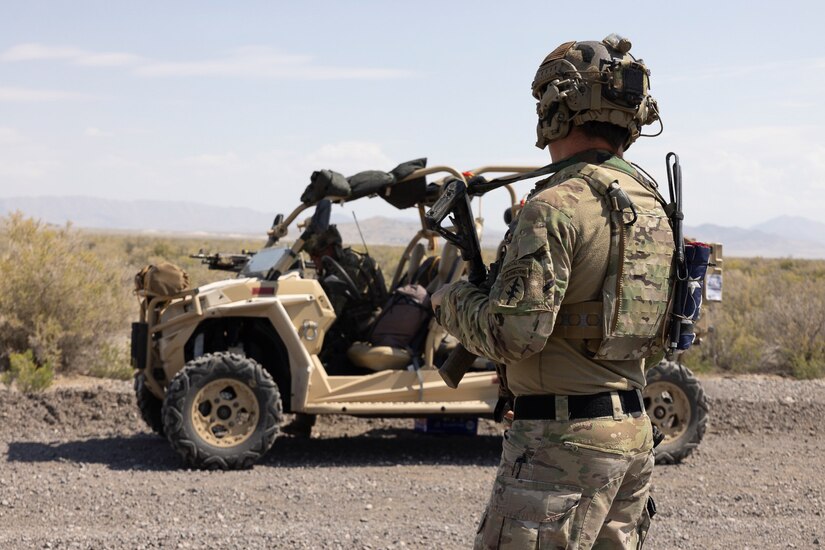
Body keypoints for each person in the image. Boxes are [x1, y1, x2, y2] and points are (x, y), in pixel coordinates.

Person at [431, 34, 673, 549]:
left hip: (561, 445)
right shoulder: (652, 203)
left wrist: (449, 301)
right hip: (631, 434)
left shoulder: (556, 205)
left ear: (557, 108)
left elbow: (513, 335)